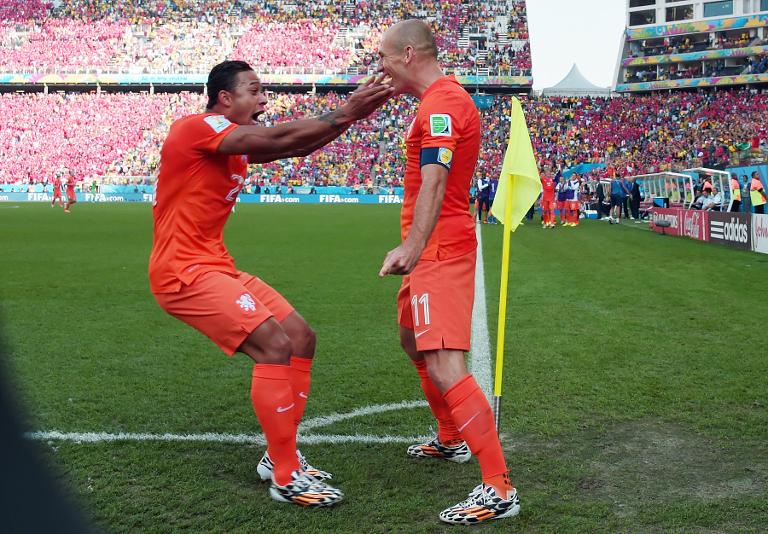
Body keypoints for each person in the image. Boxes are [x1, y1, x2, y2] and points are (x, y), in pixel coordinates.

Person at [148, 60, 393, 508]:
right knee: (273, 346)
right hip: (183, 272)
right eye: (255, 90)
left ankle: (278, 456)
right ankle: (285, 475)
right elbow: (278, 137)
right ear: (225, 98)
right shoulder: (196, 128)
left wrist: (352, 115)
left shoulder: (232, 144)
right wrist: (347, 110)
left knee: (300, 337)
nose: (264, 99)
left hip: (217, 266)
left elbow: (295, 148)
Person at [376, 20, 519, 525]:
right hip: (430, 246)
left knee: (444, 363)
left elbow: (435, 178)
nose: (382, 67)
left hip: (439, 247)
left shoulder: (443, 103)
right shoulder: (435, 99)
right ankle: (451, 438)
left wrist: (413, 245)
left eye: (386, 59)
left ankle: (498, 487)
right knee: (412, 342)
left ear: (409, 53)